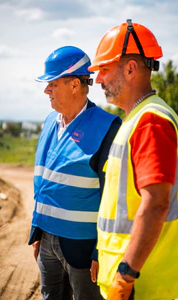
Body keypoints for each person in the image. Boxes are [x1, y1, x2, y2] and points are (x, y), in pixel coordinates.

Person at [88, 19, 178, 300]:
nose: (98, 79)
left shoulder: (150, 121)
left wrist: (126, 274)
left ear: (130, 68)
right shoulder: (136, 119)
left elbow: (156, 204)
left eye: (104, 69)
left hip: (143, 287)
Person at [28, 45, 121, 300]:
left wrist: (100, 252)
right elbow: (44, 183)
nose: (46, 90)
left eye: (53, 83)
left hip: (83, 248)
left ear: (74, 85)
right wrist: (37, 231)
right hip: (47, 240)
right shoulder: (49, 122)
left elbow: (114, 198)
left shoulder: (108, 127)